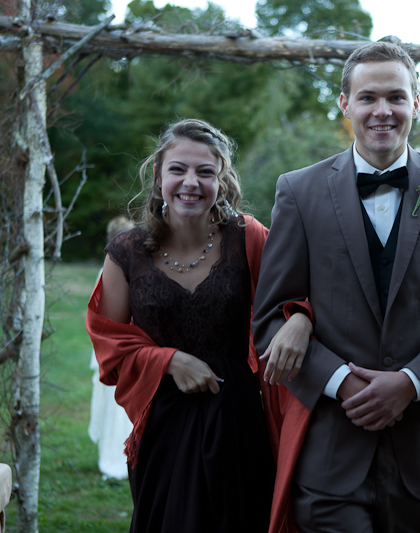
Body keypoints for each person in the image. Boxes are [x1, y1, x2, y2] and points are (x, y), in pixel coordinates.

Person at [252, 41, 420, 532]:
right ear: (345, 103)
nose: (382, 110)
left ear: (416, 103)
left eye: (395, 97)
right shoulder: (298, 191)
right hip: (330, 454)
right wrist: (344, 385)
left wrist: (409, 384)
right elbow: (269, 320)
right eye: (367, 97)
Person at [85, 118, 313, 532]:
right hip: (162, 424)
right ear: (158, 177)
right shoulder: (126, 252)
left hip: (237, 418)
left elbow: (299, 290)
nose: (190, 182)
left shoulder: (249, 237)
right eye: (178, 169)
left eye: (205, 172)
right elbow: (110, 345)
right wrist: (169, 360)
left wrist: (300, 319)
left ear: (221, 182)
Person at [88, 215, 135, 480]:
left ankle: (121, 453)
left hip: (119, 349)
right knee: (115, 406)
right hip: (117, 349)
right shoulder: (114, 270)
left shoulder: (112, 268)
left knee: (116, 406)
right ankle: (115, 457)